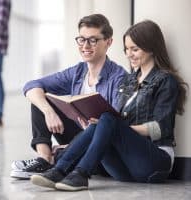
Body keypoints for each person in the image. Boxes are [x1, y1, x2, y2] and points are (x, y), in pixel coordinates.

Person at [30, 20, 188, 191]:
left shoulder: (165, 81)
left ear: (151, 48)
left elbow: (161, 128)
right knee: (102, 120)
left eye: (135, 49)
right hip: (125, 170)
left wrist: (123, 129)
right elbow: (114, 119)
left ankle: (78, 173)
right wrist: (99, 127)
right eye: (126, 49)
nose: (129, 54)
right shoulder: (129, 81)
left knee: (107, 119)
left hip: (155, 164)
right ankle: (59, 170)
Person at [10, 14, 126, 179]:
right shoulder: (78, 72)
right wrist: (49, 112)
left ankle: (60, 157)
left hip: (99, 145)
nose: (85, 45)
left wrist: (74, 144)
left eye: (93, 40)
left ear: (108, 42)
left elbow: (116, 125)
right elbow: (31, 85)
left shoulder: (119, 77)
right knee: (41, 100)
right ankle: (44, 159)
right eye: (81, 39)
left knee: (67, 154)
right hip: (77, 134)